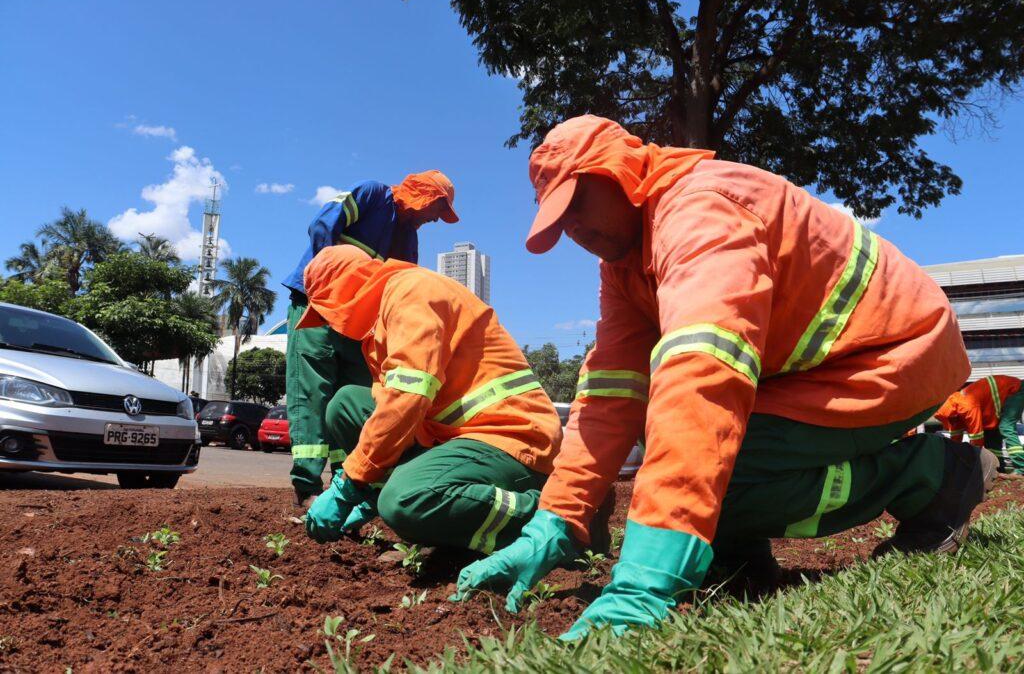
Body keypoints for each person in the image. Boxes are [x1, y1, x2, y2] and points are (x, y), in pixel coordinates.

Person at [451, 115, 997, 638]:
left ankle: (930, 476)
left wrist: (645, 581)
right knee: (671, 439)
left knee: (716, 465)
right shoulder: (624, 266)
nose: (573, 230)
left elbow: (700, 379)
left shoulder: (701, 211)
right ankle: (736, 552)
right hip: (823, 371)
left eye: (576, 207)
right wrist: (556, 520)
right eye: (559, 220)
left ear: (618, 173)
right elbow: (610, 395)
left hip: (895, 355)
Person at [295, 245, 563, 551]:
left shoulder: (410, 293)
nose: (331, 324)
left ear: (344, 293)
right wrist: (365, 490)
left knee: (403, 501)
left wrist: (348, 483)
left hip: (511, 438)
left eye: (327, 313)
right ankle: (389, 499)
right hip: (454, 438)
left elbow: (406, 399)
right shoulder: (381, 321)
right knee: (347, 405)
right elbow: (389, 408)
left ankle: (551, 515)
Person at [282, 172, 459, 507]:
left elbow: (402, 291)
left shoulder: (408, 238)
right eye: (437, 209)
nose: (435, 218)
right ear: (422, 194)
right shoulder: (373, 194)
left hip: (358, 323)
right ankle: (306, 485)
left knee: (349, 394)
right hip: (316, 305)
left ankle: (343, 482)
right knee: (312, 389)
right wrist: (330, 282)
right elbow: (322, 225)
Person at [935, 375, 1024, 473]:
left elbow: (977, 438)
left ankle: (1021, 466)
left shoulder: (967, 405)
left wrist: (975, 464)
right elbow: (956, 439)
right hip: (1000, 399)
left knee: (1006, 427)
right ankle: (998, 469)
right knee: (990, 435)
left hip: (1015, 390)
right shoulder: (954, 412)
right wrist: (955, 457)